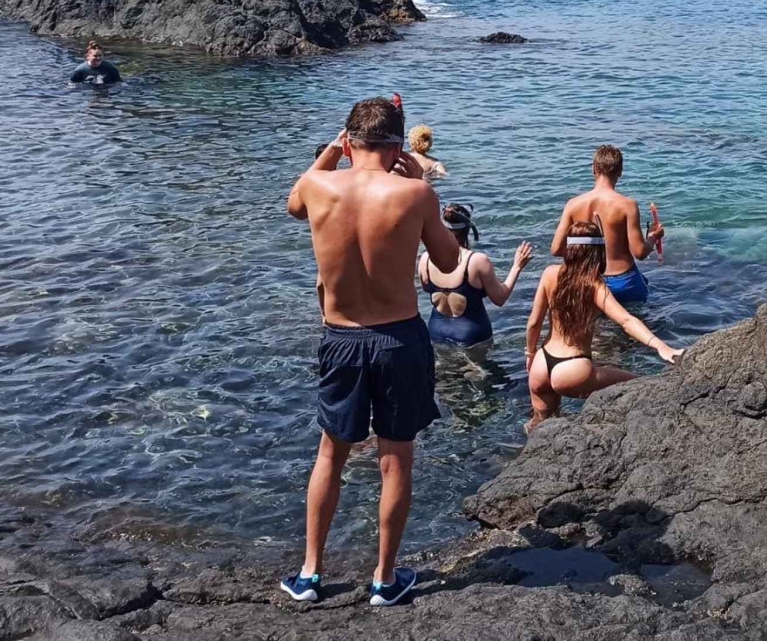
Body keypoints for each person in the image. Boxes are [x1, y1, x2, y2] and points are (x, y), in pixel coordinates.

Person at [282, 97, 463, 608]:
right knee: (395, 459)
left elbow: (294, 205)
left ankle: (310, 574)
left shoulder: (317, 186)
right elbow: (449, 261)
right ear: (399, 146)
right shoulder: (415, 193)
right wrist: (420, 184)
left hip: (340, 338)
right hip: (399, 339)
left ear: (347, 141)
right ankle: (384, 580)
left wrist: (330, 154)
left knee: (330, 454)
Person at [527, 220, 682, 429]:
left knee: (540, 427)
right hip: (572, 368)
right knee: (639, 384)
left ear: (569, 248)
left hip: (541, 363)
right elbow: (626, 320)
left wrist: (530, 354)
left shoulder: (549, 273)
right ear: (598, 252)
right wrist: (661, 346)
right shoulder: (594, 285)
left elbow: (534, 323)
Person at [550, 145, 663, 309]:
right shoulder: (627, 205)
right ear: (620, 172)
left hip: (588, 280)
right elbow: (640, 253)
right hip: (624, 282)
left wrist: (584, 254)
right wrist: (653, 237)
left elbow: (556, 249)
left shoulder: (573, 204)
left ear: (594, 169)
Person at [417, 204, 532, 346]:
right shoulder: (477, 261)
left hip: (436, 332)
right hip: (472, 337)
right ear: (467, 230)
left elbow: (426, 287)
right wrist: (517, 267)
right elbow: (499, 298)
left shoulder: (426, 258)